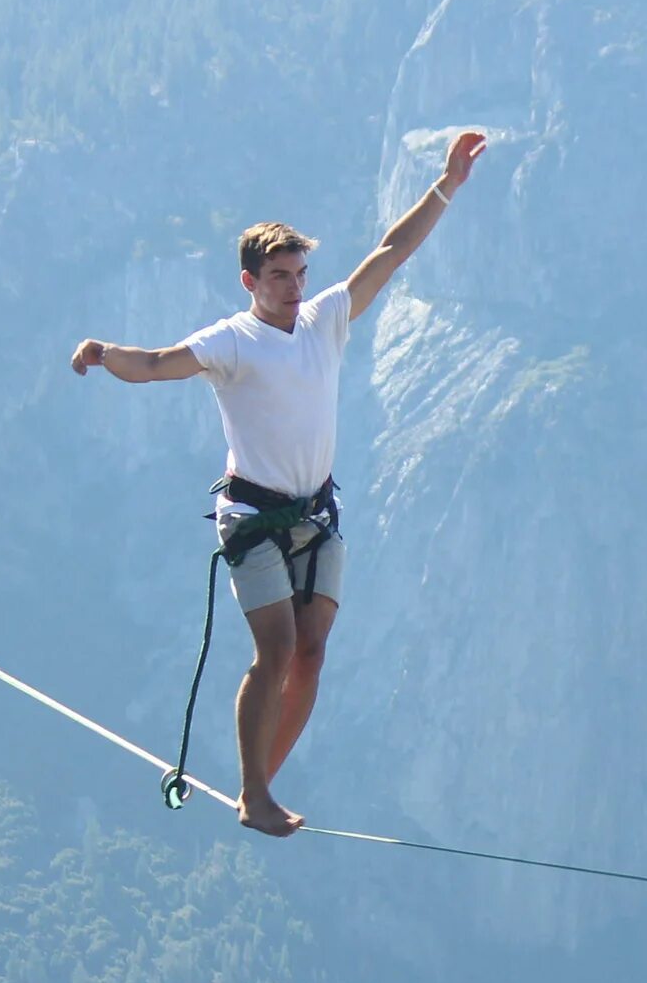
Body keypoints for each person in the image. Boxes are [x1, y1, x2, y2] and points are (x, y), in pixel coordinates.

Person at [72, 130, 486, 835]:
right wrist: (103, 352)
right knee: (276, 650)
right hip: (254, 520)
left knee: (312, 654)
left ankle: (259, 786)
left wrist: (446, 184)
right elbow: (157, 364)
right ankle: (254, 791)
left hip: (317, 517)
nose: (294, 289)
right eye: (279, 278)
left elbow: (392, 251)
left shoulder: (325, 320)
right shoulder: (232, 341)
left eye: (298, 275)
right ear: (250, 283)